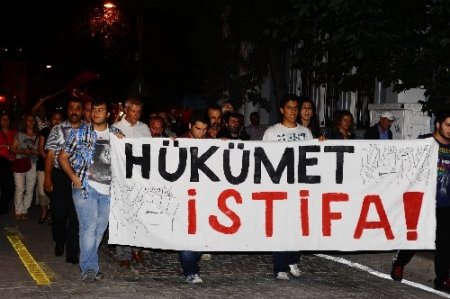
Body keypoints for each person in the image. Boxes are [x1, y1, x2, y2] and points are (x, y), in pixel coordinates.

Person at [59, 98, 123, 283]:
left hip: (108, 191)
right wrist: (73, 177)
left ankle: (91, 265)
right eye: (93, 110)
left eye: (100, 110)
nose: (96, 113)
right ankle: (88, 268)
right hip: (85, 189)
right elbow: (63, 157)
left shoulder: (116, 134)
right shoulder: (79, 133)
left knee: (100, 229)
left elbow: (135, 152)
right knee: (88, 228)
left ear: (108, 113)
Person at [390, 109, 450, 293]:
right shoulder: (423, 143)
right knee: (415, 237)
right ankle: (399, 263)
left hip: (445, 204)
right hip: (423, 202)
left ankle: (442, 279)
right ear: (438, 124)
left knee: (445, 242)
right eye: (448, 125)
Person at [263, 93, 313, 280]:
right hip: (279, 188)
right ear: (282, 110)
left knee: (299, 226)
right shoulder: (272, 132)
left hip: (300, 188)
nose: (293, 111)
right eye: (289, 108)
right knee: (281, 227)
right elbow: (264, 159)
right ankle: (280, 267)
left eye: (295, 108)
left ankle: (293, 259)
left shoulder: (306, 133)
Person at [44, 98, 83, 264]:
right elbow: (51, 155)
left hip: (79, 177)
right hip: (60, 177)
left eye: (78, 108)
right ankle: (59, 241)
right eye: (71, 108)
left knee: (76, 216)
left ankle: (72, 252)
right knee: (59, 214)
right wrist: (47, 178)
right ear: (68, 110)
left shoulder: (88, 130)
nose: (74, 111)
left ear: (82, 111)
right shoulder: (57, 129)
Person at [113, 97, 150, 267]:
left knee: (139, 214)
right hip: (121, 178)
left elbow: (152, 149)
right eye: (132, 111)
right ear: (126, 110)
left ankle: (137, 249)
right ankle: (124, 254)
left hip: (140, 178)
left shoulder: (144, 128)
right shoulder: (115, 128)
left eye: (138, 111)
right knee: (122, 215)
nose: (136, 114)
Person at [178, 109, 210, 283]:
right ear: (191, 126)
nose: (202, 133)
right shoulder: (180, 142)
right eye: (198, 129)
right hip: (185, 198)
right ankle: (191, 271)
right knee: (188, 235)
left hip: (204, 198)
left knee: (201, 236)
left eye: (205, 130)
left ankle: (189, 263)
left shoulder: (211, 143)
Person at [11, 114, 40, 221]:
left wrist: (33, 152)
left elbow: (40, 152)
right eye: (29, 120)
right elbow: (13, 149)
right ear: (25, 122)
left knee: (30, 188)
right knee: (19, 188)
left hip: (32, 163)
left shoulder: (37, 136)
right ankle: (18, 211)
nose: (31, 122)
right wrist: (23, 151)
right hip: (19, 162)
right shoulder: (19, 134)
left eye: (33, 120)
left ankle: (24, 210)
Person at [37, 111, 63, 224]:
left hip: (58, 168)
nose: (57, 121)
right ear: (50, 120)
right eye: (54, 118)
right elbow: (41, 148)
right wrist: (49, 160)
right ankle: (44, 212)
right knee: (42, 192)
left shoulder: (64, 132)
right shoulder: (45, 131)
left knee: (54, 193)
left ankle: (52, 214)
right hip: (43, 164)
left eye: (59, 119)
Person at [0, 111, 16, 216]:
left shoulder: (14, 132)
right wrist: (4, 146)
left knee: (9, 187)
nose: (6, 121)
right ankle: (3, 208)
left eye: (7, 119)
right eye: (3, 119)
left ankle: (3, 206)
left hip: (10, 161)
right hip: (0, 160)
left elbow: (17, 146)